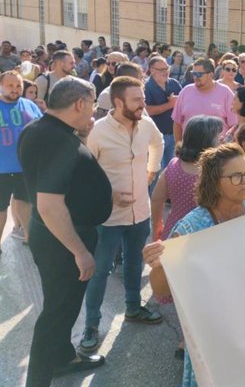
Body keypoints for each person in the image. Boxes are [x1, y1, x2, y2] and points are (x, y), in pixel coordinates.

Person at [142, 144, 245, 387]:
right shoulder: (192, 228)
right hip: (212, 335)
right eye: (235, 175)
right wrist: (158, 264)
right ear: (214, 181)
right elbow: (162, 290)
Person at [19, 77, 112, 385]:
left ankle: (62, 357)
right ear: (79, 104)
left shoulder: (41, 129)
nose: (94, 112)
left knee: (62, 305)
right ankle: (38, 380)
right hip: (64, 242)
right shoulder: (56, 140)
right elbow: (49, 205)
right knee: (56, 316)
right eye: (93, 103)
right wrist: (80, 252)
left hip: (54, 236)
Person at [80, 76, 164, 352]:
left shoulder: (146, 124)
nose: (143, 104)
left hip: (140, 212)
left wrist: (152, 171)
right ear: (118, 102)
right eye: (137, 100)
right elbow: (83, 173)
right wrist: (107, 196)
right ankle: (91, 325)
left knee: (133, 264)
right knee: (100, 271)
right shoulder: (97, 132)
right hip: (107, 218)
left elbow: (158, 142)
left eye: (142, 98)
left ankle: (133, 308)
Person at [151, 115, 224, 241]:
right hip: (206, 234)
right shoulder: (216, 170)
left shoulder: (174, 165)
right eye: (218, 136)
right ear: (206, 141)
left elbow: (157, 199)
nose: (222, 138)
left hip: (175, 230)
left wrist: (157, 224)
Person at [0, 71, 43, 247]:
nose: (15, 89)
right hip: (1, 169)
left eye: (18, 85)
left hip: (24, 167)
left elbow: (42, 130)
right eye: (10, 85)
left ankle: (30, 239)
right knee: (1, 209)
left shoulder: (29, 105)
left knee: (25, 203)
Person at [172, 58, 237, 142]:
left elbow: (234, 125)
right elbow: (177, 122)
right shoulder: (186, 91)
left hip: (216, 152)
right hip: (189, 151)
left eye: (199, 74)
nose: (195, 77)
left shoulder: (226, 92)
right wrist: (179, 146)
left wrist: (226, 147)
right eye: (193, 73)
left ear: (210, 75)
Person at [145, 55, 183, 186]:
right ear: (152, 70)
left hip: (173, 135)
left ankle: (169, 200)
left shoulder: (174, 83)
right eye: (161, 69)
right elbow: (147, 111)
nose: (165, 71)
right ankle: (152, 203)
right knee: (154, 174)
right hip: (155, 139)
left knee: (172, 172)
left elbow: (183, 103)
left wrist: (177, 102)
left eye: (166, 68)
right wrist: (170, 105)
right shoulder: (146, 87)